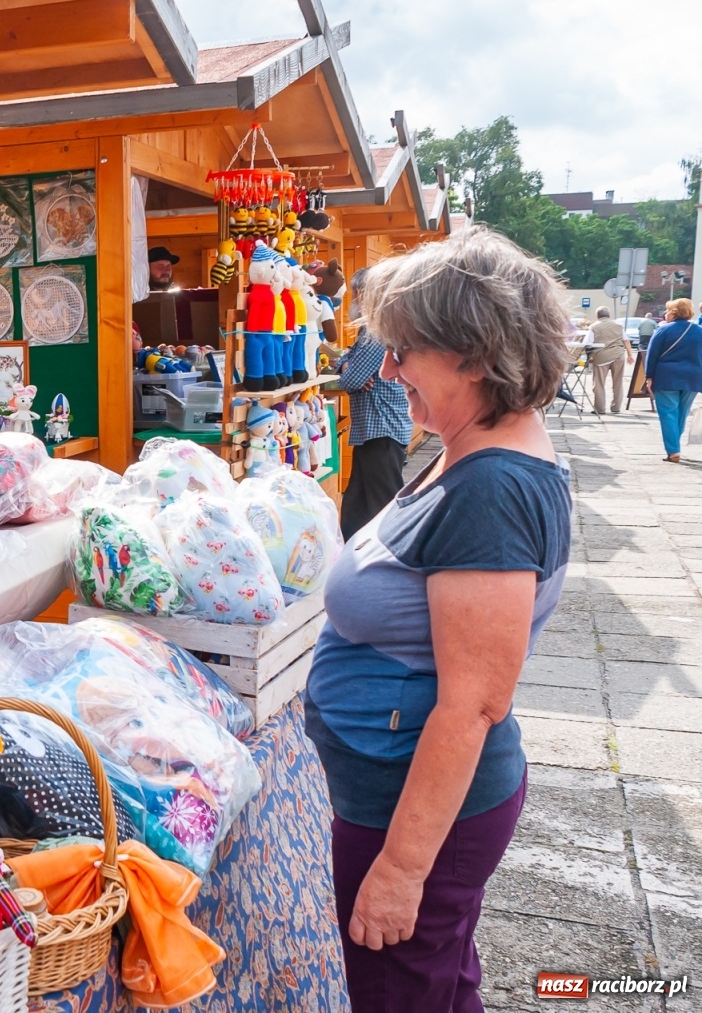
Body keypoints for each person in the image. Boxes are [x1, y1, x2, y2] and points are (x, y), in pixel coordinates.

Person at [306, 227, 571, 1013]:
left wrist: (400, 869)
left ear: (476, 354)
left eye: (404, 349)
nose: (387, 369)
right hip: (395, 792)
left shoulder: (490, 488)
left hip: (411, 812)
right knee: (440, 983)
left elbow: (473, 704)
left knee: (400, 993)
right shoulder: (474, 446)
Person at [335, 278, 412, 539]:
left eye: (356, 294)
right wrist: (346, 364)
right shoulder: (383, 325)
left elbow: (352, 379)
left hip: (381, 428)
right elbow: (347, 360)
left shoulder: (376, 330)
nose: (353, 301)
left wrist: (348, 369)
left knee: (385, 504)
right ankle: (353, 558)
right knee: (357, 505)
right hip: (376, 429)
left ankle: (397, 560)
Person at [643, 297, 702, 462]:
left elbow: (652, 354)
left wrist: (649, 376)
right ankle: (674, 445)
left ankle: (673, 450)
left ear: (674, 313)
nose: (666, 313)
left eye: (668, 310)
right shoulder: (699, 331)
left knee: (668, 414)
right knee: (681, 414)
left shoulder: (663, 330)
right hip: (693, 379)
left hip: (667, 377)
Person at [586, 305, 634, 415]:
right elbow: (626, 340)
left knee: (599, 384)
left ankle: (600, 409)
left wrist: (589, 357)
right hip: (618, 355)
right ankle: (616, 407)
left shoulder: (593, 327)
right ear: (609, 315)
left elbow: (588, 343)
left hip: (601, 357)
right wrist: (630, 355)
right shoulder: (618, 325)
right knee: (618, 382)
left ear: (597, 316)